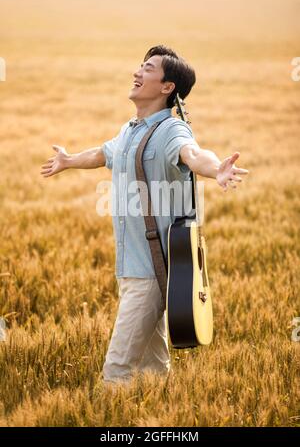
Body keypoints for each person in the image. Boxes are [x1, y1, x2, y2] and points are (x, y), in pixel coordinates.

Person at [40, 44, 249, 385]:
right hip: (131, 266)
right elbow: (104, 153)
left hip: (151, 271)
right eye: (140, 66)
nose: (137, 72)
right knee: (154, 366)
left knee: (117, 368)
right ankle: (163, 410)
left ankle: (110, 420)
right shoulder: (131, 129)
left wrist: (217, 170)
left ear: (168, 87)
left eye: (148, 68)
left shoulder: (171, 130)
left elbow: (194, 153)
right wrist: (68, 160)